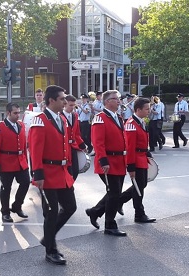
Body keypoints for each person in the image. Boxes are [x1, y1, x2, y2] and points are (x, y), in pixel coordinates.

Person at [29, 85, 77, 265]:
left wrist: (70, 167)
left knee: (70, 207)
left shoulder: (62, 119)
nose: (66, 101)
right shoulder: (40, 120)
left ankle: (48, 237)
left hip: (62, 172)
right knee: (51, 212)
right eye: (62, 99)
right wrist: (38, 174)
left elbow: (65, 146)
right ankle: (51, 250)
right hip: (47, 173)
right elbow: (35, 150)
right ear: (51, 101)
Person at [85, 90, 127, 237]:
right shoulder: (100, 118)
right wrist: (103, 160)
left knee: (114, 192)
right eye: (116, 99)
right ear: (107, 101)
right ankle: (110, 224)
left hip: (119, 161)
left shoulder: (118, 117)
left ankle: (94, 211)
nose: (119, 101)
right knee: (114, 193)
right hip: (108, 161)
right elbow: (98, 142)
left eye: (119, 98)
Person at [118, 98, 156, 223]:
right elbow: (130, 148)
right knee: (139, 187)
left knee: (141, 185)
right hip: (136, 159)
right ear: (138, 110)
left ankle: (120, 201)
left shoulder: (140, 121)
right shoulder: (131, 125)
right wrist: (131, 167)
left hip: (142, 157)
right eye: (146, 109)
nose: (149, 111)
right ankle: (139, 214)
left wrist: (148, 153)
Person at [0, 103, 30, 222]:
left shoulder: (21, 125)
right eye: (15, 113)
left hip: (20, 161)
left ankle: (17, 206)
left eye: (19, 112)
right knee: (6, 188)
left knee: (26, 182)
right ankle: (5, 212)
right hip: (6, 162)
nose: (18, 115)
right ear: (8, 113)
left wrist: (26, 161)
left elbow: (23, 145)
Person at [63, 94, 86, 180]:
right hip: (64, 147)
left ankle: (69, 187)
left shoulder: (75, 115)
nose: (72, 107)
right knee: (68, 170)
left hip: (73, 146)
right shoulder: (60, 116)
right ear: (64, 104)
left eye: (74, 105)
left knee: (75, 171)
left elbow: (76, 133)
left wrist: (82, 145)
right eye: (70, 105)